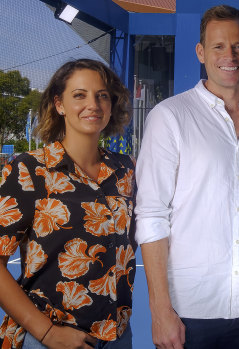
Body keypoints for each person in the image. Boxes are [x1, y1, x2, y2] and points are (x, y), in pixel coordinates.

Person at [134, 5, 239, 349]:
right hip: (187, 309)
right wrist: (159, 309)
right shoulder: (169, 117)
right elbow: (152, 215)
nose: (230, 55)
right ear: (201, 52)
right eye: (218, 46)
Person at [0, 58, 135, 349]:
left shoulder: (126, 171)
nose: (94, 104)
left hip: (116, 337)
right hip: (48, 337)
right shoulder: (30, 170)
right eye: (80, 95)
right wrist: (48, 333)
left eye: (102, 95)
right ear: (59, 104)